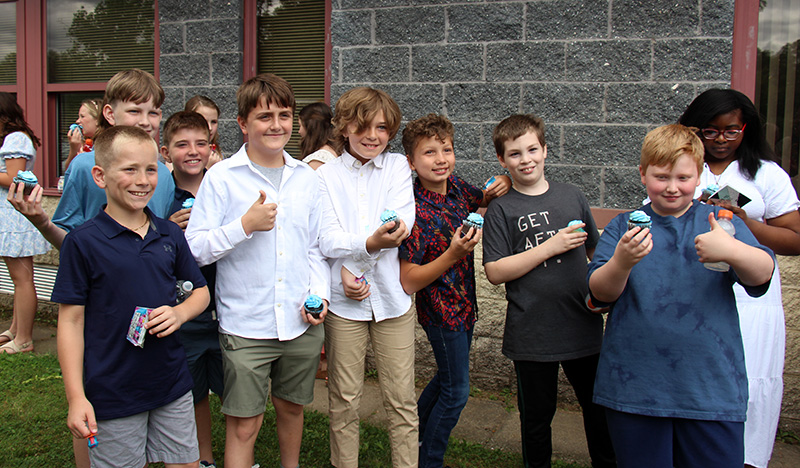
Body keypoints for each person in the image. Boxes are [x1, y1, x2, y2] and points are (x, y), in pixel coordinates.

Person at [587, 124, 775, 468]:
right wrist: (622, 262)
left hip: (710, 389)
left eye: (683, 178)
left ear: (700, 175)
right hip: (635, 390)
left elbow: (763, 272)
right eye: (661, 177)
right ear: (643, 174)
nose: (672, 187)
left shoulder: (720, 221)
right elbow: (599, 293)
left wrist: (732, 250)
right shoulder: (624, 227)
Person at [185, 73, 330, 468]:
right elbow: (194, 249)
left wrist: (322, 296)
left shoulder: (307, 178)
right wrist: (243, 227)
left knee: (292, 411)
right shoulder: (222, 178)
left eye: (284, 115)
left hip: (300, 322)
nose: (276, 125)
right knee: (244, 426)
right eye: (265, 116)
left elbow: (315, 247)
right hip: (246, 325)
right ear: (243, 124)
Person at [52, 125, 210, 468]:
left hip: (171, 382)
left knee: (185, 462)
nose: (143, 180)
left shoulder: (169, 233)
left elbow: (200, 292)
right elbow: (70, 321)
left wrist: (180, 313)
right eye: (129, 169)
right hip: (113, 390)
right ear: (100, 176)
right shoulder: (82, 243)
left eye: (150, 169)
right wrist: (76, 397)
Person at [481, 114, 616, 468]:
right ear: (501, 160)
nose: (525, 160)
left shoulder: (572, 196)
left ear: (545, 150)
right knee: (537, 418)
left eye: (531, 150)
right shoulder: (501, 210)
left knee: (598, 409)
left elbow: (595, 255)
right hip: (532, 333)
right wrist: (549, 246)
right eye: (514, 154)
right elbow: (495, 271)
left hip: (581, 325)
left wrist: (604, 291)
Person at [678, 89, 800, 468]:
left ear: (746, 129)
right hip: (690, 289)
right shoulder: (680, 165)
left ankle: (745, 459)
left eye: (730, 131)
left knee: (748, 379)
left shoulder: (765, 174)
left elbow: (795, 239)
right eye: (708, 132)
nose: (719, 140)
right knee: (693, 376)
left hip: (752, 298)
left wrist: (748, 225)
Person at [398, 113, 510, 467]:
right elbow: (408, 279)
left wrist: (504, 180)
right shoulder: (414, 210)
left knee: (447, 379)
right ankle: (429, 460)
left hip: (466, 305)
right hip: (440, 313)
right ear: (411, 162)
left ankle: (413, 440)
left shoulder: (459, 189)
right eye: (429, 153)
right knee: (457, 392)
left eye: (446, 149)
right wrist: (452, 254)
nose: (441, 159)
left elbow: (486, 196)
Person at [317, 86, 417, 468]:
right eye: (362, 126)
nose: (372, 136)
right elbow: (326, 238)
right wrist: (356, 255)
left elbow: (397, 227)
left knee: (401, 398)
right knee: (344, 398)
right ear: (343, 127)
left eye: (381, 128)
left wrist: (352, 265)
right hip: (344, 307)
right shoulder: (324, 176)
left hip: (392, 300)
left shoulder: (394, 167)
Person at [6, 68, 176, 250]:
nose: (145, 121)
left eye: (153, 113)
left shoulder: (164, 174)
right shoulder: (84, 166)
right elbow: (67, 239)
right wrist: (43, 223)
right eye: (134, 111)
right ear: (110, 114)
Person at [161, 111, 223, 468]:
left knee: (233, 392)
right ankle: (204, 458)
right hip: (184, 316)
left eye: (201, 143)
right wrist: (168, 228)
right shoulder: (158, 192)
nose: (193, 151)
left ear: (211, 147)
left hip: (226, 310)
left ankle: (238, 454)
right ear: (166, 151)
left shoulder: (222, 186)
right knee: (192, 393)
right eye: (182, 144)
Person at [0, 92, 51, 354]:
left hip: (15, 217)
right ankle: (15, 329)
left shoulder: (16, 138)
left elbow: (14, 178)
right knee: (18, 278)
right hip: (9, 216)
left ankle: (24, 339)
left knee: (22, 280)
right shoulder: (12, 138)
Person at [185, 95, 224, 168]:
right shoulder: (181, 154)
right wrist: (207, 168)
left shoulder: (217, 153)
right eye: (203, 121)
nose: (209, 128)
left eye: (213, 122)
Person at [298, 102, 339, 169]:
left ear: (310, 127)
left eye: (300, 126)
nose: (299, 131)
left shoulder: (317, 161)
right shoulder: (333, 149)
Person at [65, 98, 100, 169]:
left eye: (82, 116)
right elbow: (69, 173)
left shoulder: (107, 144)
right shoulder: (87, 144)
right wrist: (74, 150)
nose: (77, 121)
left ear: (97, 120)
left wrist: (84, 159)